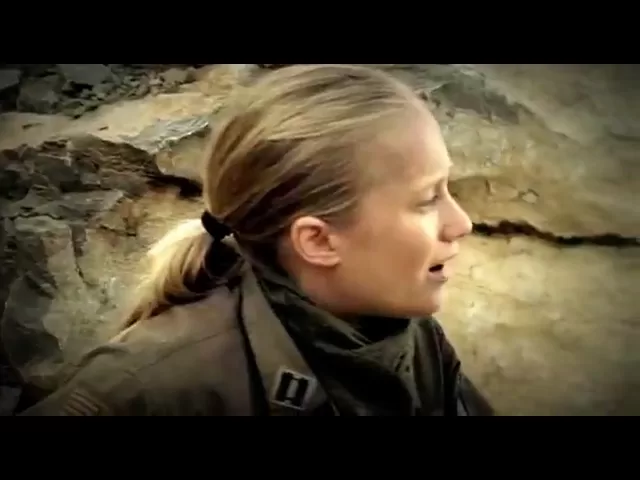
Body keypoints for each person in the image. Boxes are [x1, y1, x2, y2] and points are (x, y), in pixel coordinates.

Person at [20, 64, 494, 416]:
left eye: (447, 189)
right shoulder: (147, 387)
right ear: (319, 242)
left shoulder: (410, 339)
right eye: (427, 199)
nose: (461, 223)